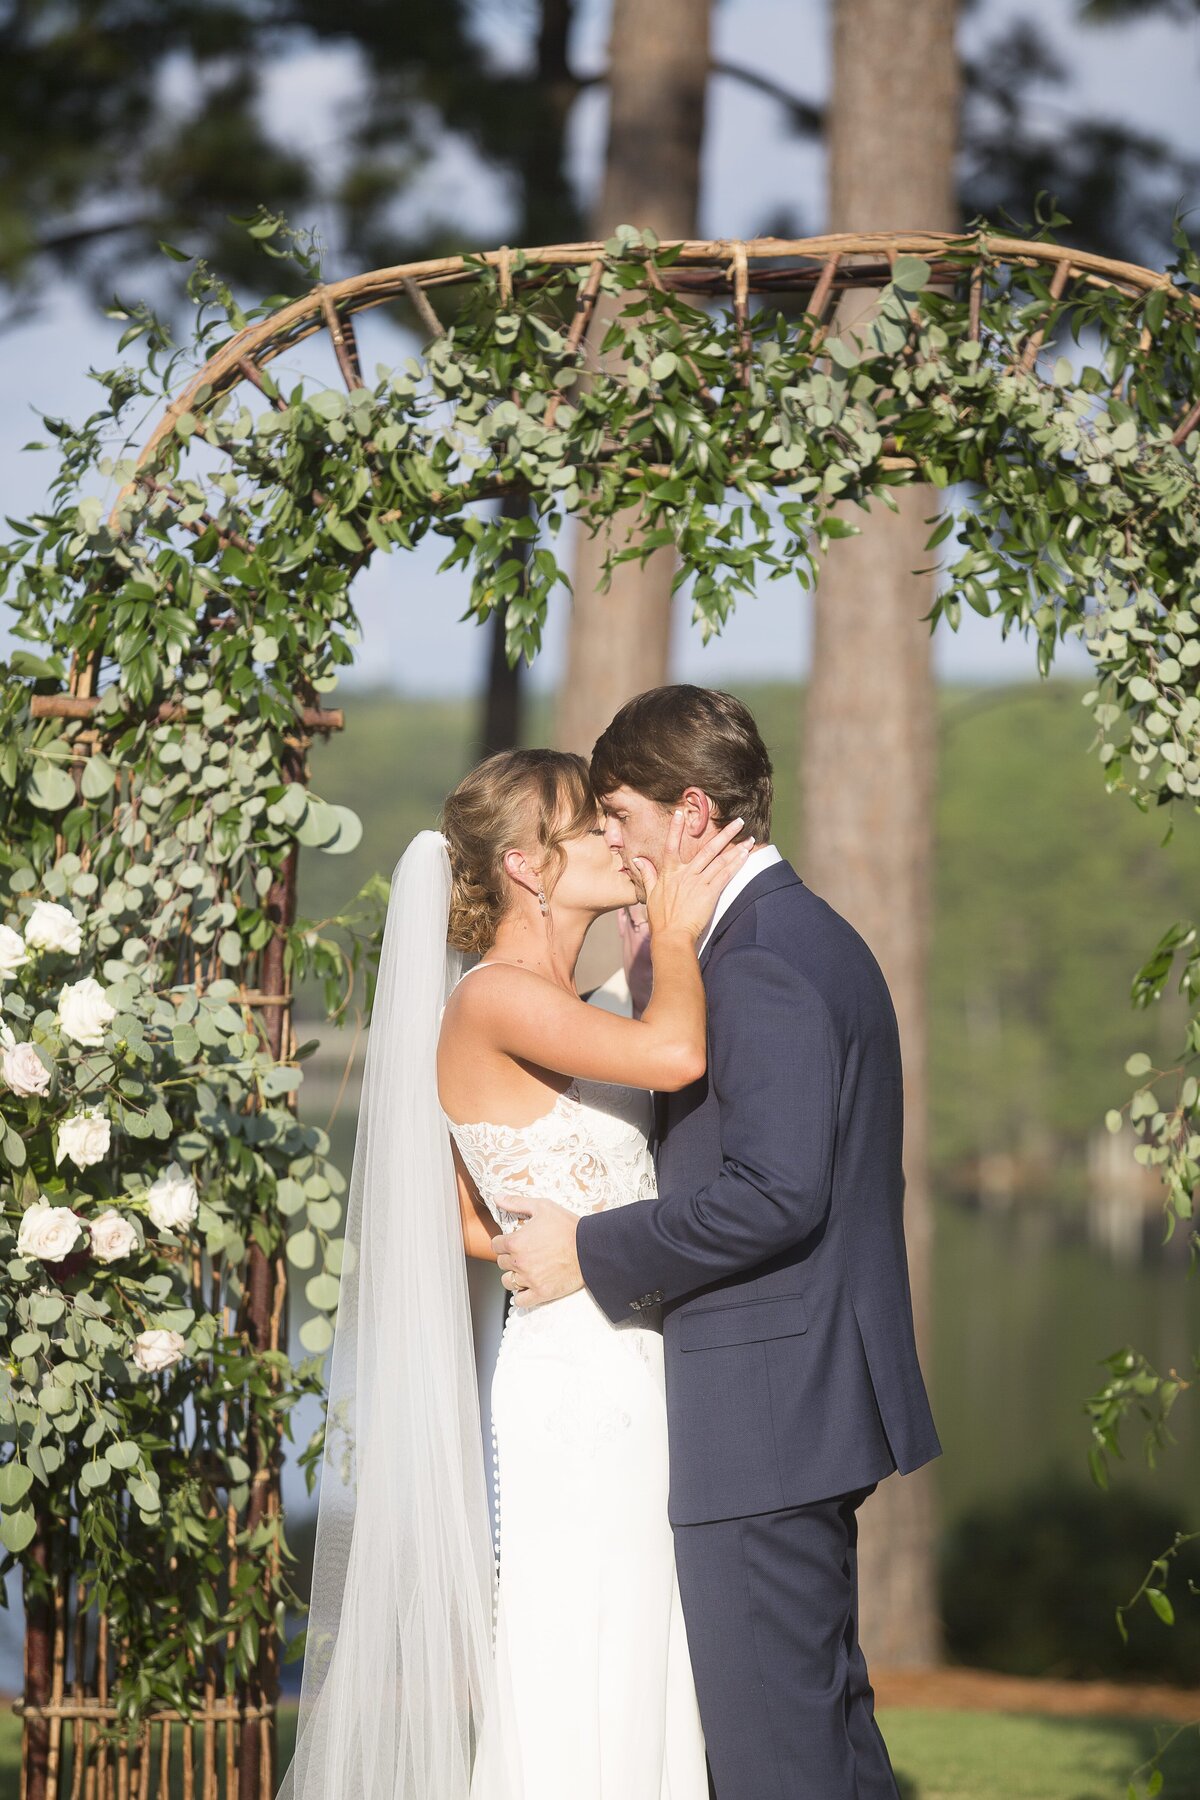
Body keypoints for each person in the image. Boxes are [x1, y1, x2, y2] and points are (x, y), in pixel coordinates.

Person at [276, 745, 749, 1800]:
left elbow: (467, 1219)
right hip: (579, 1380)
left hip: (626, 1354)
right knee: (586, 1641)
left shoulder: (567, 998)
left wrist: (568, 1245)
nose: (620, 844)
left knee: (637, 1635)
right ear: (532, 866)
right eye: (594, 828)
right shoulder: (492, 1001)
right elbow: (675, 1059)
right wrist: (672, 932)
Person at [494, 686, 942, 1800]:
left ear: (691, 815)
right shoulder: (781, 935)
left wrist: (588, 1253)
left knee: (773, 1764)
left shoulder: (761, 959)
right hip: (791, 1401)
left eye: (622, 817)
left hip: (766, 1414)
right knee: (828, 1744)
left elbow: (774, 1195)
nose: (613, 842)